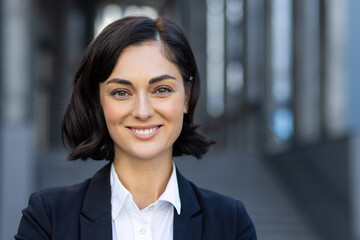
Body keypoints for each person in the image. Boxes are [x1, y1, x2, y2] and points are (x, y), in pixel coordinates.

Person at [15, 16, 257, 240]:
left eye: (162, 90)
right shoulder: (48, 217)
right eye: (121, 92)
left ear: (186, 96)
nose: (143, 111)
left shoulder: (231, 223)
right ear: (98, 101)